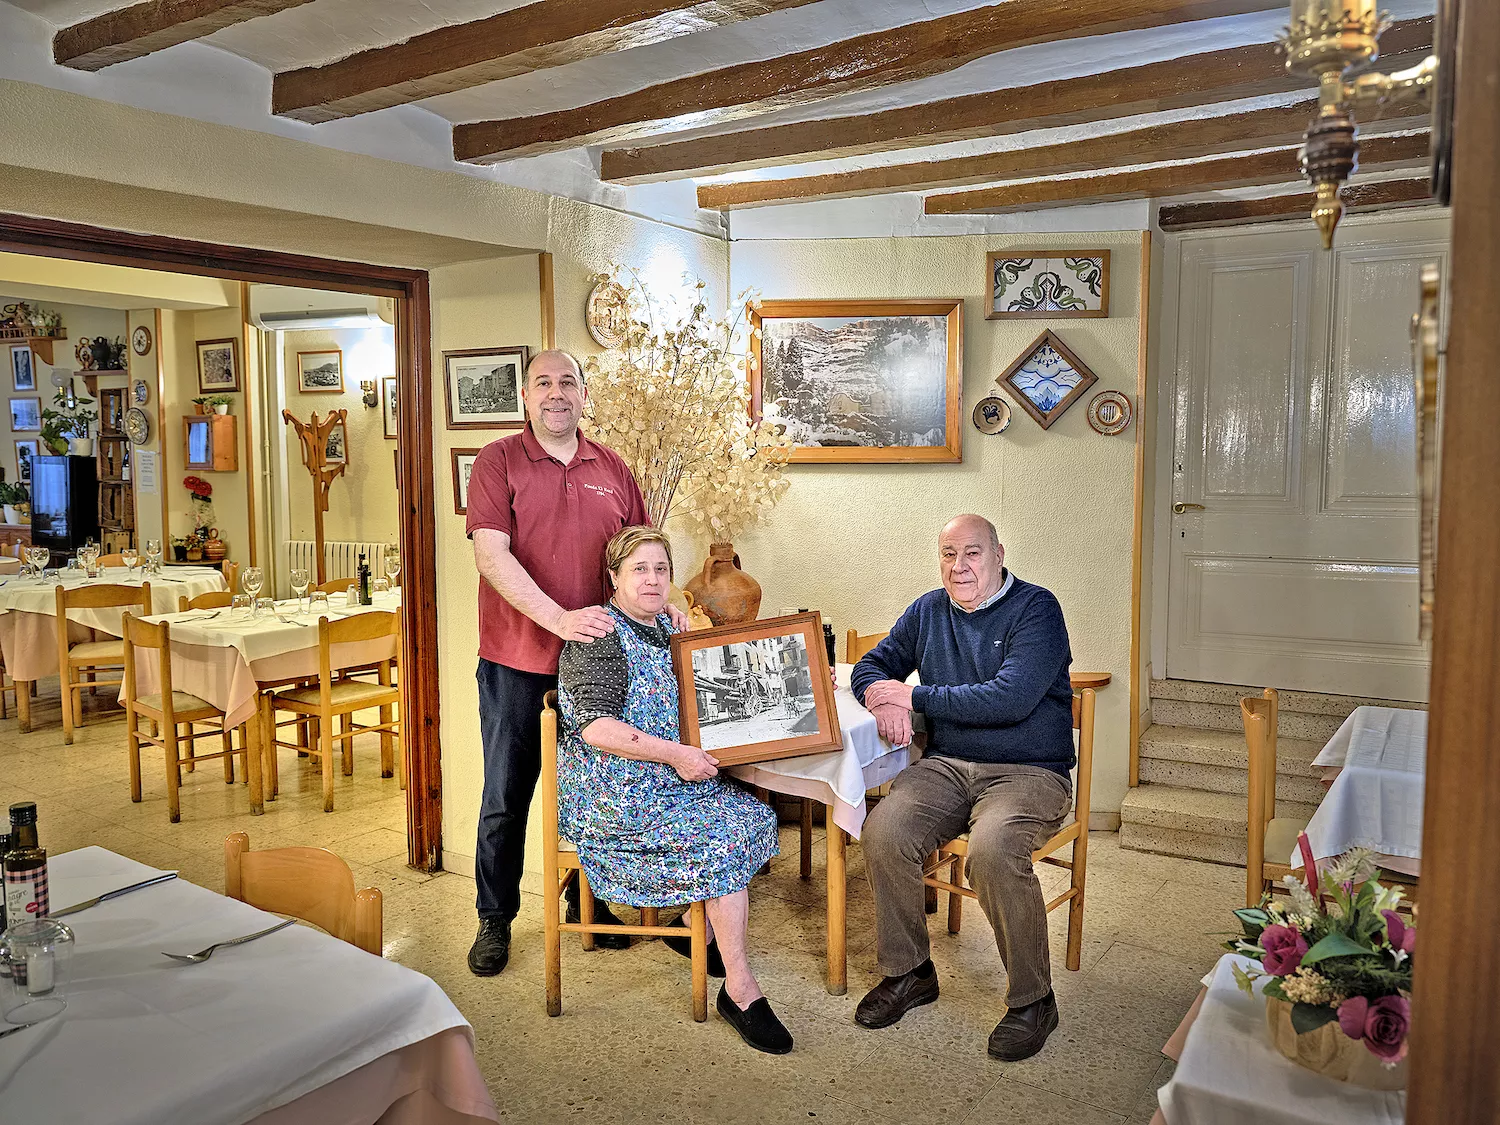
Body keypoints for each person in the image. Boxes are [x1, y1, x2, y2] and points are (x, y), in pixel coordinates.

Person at [465, 349, 685, 976]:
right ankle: (494, 919)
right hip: (518, 659)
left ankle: (597, 902)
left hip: (603, 665)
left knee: (602, 785)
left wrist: (678, 602)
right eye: (543, 383)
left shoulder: (611, 466)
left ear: (585, 395)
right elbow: (492, 556)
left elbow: (646, 553)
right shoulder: (498, 461)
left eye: (568, 382)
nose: (556, 393)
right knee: (507, 793)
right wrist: (558, 620)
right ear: (525, 396)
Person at [850, 513, 1075, 1061]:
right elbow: (871, 665)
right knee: (884, 830)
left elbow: (1009, 698)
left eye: (972, 553)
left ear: (999, 553)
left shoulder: (1037, 608)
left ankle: (1033, 1000)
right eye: (949, 554)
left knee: (993, 850)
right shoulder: (929, 609)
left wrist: (915, 699)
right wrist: (881, 693)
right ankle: (910, 973)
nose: (959, 566)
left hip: (1030, 771)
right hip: (948, 764)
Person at [557, 525, 789, 1053]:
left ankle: (692, 923)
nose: (653, 578)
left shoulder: (666, 628)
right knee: (727, 835)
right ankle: (740, 988)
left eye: (661, 568)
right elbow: (595, 728)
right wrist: (677, 754)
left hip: (668, 783)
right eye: (639, 568)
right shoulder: (598, 637)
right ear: (613, 577)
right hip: (616, 797)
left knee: (754, 816)